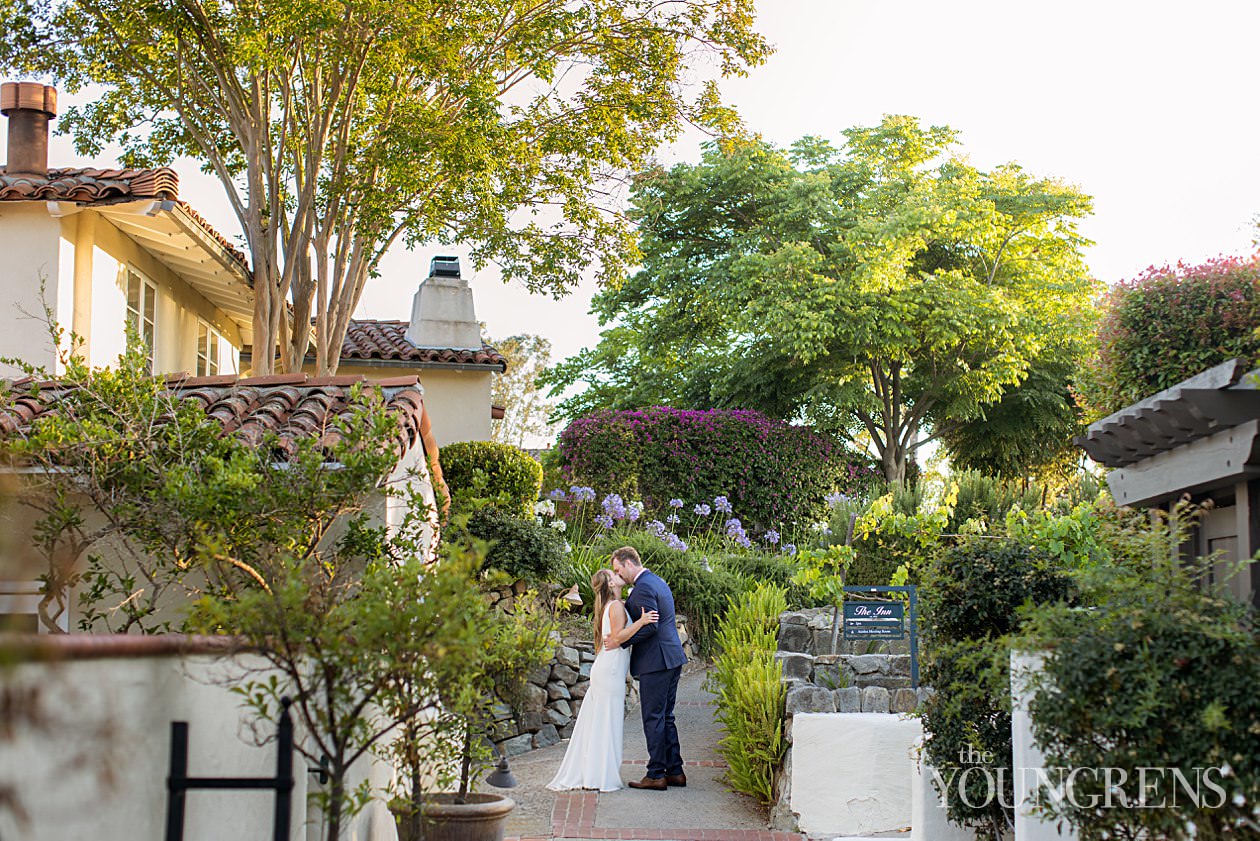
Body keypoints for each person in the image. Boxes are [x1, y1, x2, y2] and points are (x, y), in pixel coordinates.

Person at [547, 568, 659, 791]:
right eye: (614, 574)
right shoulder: (615, 606)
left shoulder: (613, 605)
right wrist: (643, 621)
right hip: (610, 670)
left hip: (609, 668)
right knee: (607, 721)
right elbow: (617, 638)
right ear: (611, 583)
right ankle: (600, 775)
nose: (619, 575)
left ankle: (595, 773)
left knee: (601, 721)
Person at [607, 545, 688, 791]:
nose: (618, 575)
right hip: (671, 657)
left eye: (618, 569)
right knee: (666, 717)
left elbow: (650, 626)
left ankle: (655, 774)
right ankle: (674, 771)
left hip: (657, 661)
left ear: (628, 563)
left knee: (653, 717)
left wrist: (621, 641)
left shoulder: (643, 588)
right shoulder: (657, 581)